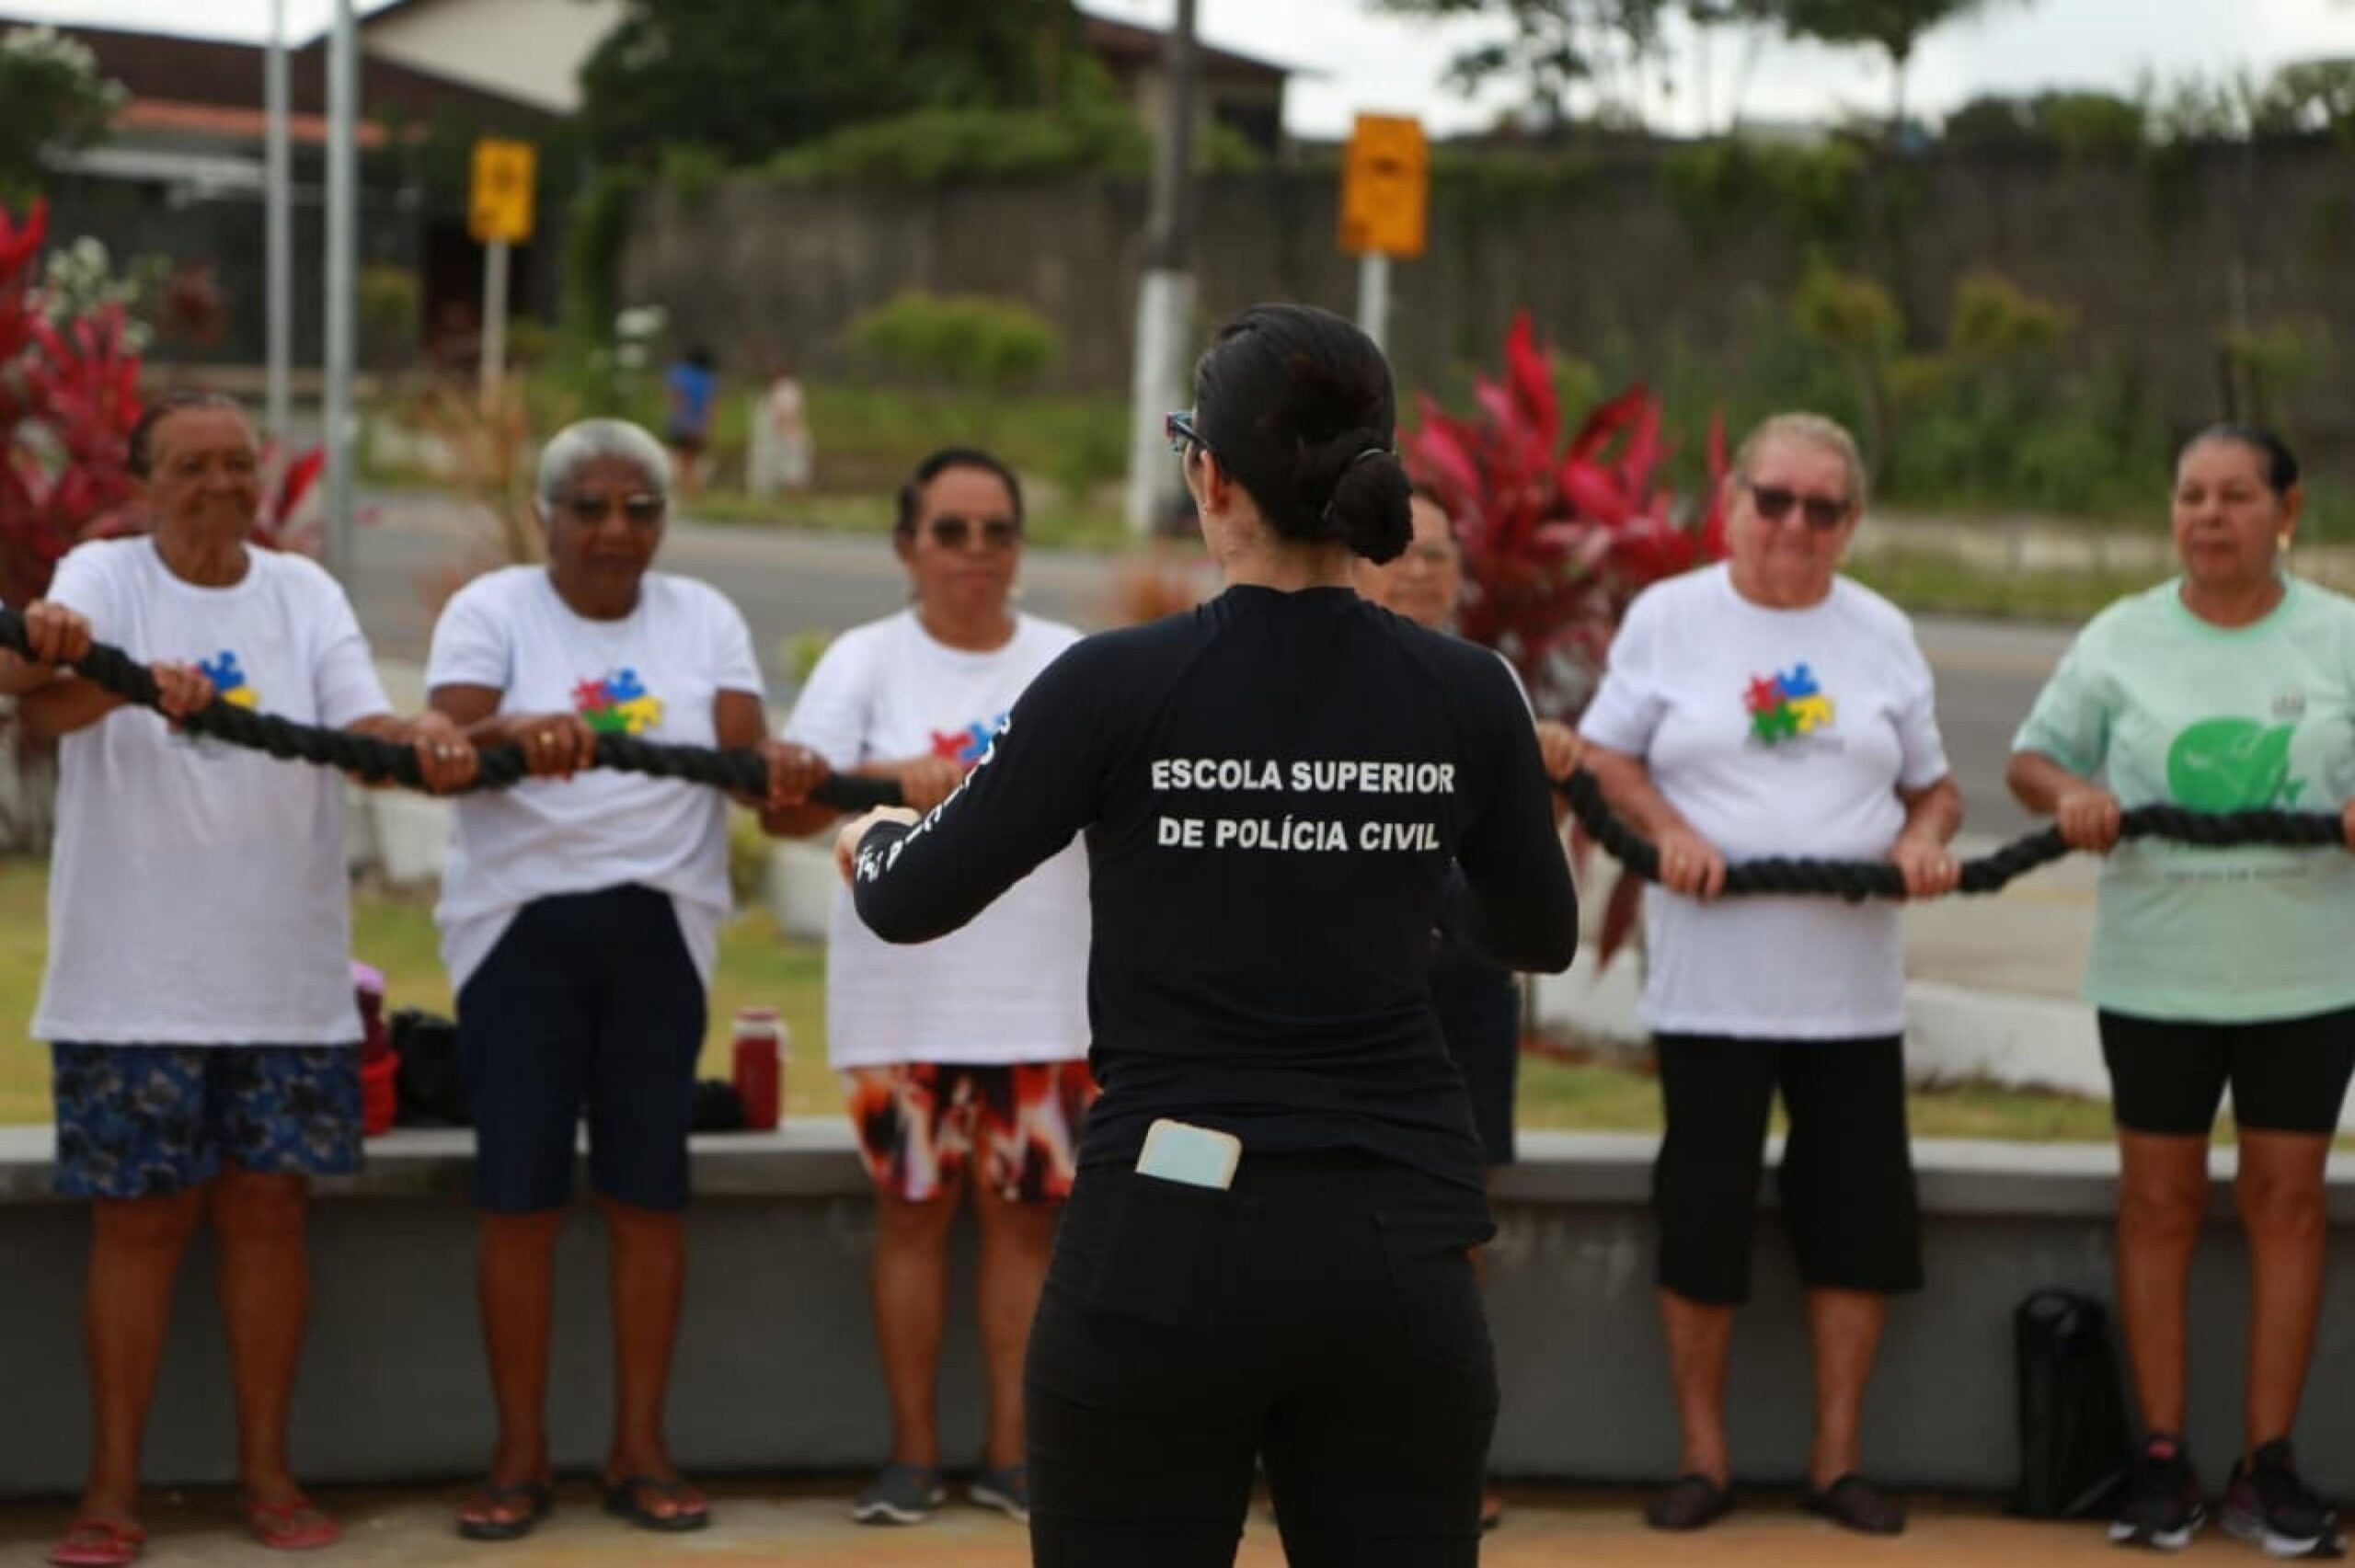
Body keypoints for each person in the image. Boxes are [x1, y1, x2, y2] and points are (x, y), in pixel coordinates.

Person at [833, 303, 1578, 1567]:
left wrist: (870, 834)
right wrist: (1388, 866)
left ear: (1208, 474)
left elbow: (914, 896)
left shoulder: (1114, 683)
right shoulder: (1466, 692)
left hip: (1170, 1237)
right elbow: (1536, 932)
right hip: (1398, 1243)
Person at [27, 390, 478, 1567]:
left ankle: (269, 1477)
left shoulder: (302, 592)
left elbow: (361, 725)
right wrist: (121, 679)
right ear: (145, 481)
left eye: (238, 463)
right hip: (130, 986)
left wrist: (420, 733)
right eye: (192, 465)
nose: (221, 484)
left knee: (272, 1222)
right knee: (136, 1227)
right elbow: (40, 703)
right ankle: (110, 1492)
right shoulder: (102, 574)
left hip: (285, 985)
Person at [425, 418, 825, 1543]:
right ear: (548, 514)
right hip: (519, 931)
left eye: (639, 509)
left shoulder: (703, 617)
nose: (614, 530)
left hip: (661, 931)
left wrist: (786, 767)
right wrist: (510, 729)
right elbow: (432, 742)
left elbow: (757, 776)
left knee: (650, 1198)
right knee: (520, 1199)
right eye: (589, 507)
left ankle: (640, 1450)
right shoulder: (496, 609)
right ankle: (518, 1454)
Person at [1576, 411, 1963, 1539]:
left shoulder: (1882, 629)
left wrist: (1920, 840)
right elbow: (1605, 755)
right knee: (1701, 1221)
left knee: (1856, 1228)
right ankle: (1704, 1458)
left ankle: (1835, 1461)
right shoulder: (1670, 617)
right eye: (1773, 499)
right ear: (1730, 499)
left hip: (1850, 996)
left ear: (1850, 522)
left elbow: (1934, 789)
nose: (1794, 524)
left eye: (1822, 507)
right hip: (1711, 990)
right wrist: (1665, 828)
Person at [2006, 425, 2355, 1558]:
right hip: (2154, 973)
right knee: (2157, 1203)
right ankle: (2160, 1455)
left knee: (2287, 1204)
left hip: (2304, 975)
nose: (2210, 516)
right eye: (2191, 496)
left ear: (2285, 510)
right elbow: (2034, 756)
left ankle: (2269, 1462)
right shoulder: (2119, 636)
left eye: (2236, 495)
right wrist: (2073, 797)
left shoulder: (2339, 638)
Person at [767, 447, 1091, 1528]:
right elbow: (789, 808)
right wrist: (885, 776)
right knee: (911, 1217)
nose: (976, 552)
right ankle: (910, 1458)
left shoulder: (1071, 663)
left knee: (1024, 1230)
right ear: (907, 546)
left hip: (1040, 1003)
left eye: (997, 530)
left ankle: (1016, 1454)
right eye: (950, 531)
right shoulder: (861, 662)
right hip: (900, 1003)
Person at [1350, 484, 1583, 1531]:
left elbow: (1527, 885)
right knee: (1323, 1235)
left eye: (1440, 555)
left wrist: (1556, 788)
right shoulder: (1317, 677)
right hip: (1336, 1006)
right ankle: (1314, 1456)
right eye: (1399, 550)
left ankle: (1444, 1468)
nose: (1418, 572)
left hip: (1462, 1005)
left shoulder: (1488, 688)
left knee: (1447, 1242)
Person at [664, 346, 718, 502]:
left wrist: (681, 418)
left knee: (684, 460)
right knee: (692, 461)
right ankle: (692, 492)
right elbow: (712, 406)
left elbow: (677, 399)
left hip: (681, 423)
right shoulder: (708, 379)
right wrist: (709, 427)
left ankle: (689, 493)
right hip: (699, 425)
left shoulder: (679, 374)